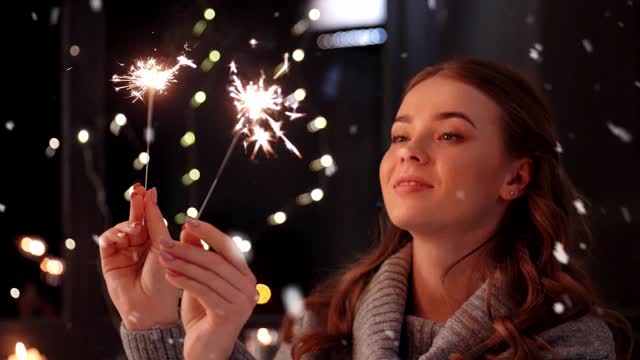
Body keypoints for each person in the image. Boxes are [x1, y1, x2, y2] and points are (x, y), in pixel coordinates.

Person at [99, 58, 632, 360]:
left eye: (450, 134)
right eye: (400, 134)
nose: (410, 151)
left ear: (516, 176)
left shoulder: (568, 344)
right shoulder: (320, 326)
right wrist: (162, 327)